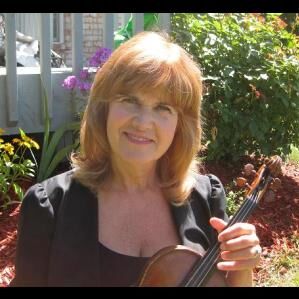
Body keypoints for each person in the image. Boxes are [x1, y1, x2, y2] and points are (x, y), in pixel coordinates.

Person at [10, 31, 261, 287]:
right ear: (103, 108)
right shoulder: (50, 206)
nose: (142, 123)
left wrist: (242, 267)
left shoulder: (205, 199)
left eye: (163, 108)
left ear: (180, 124)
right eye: (129, 100)